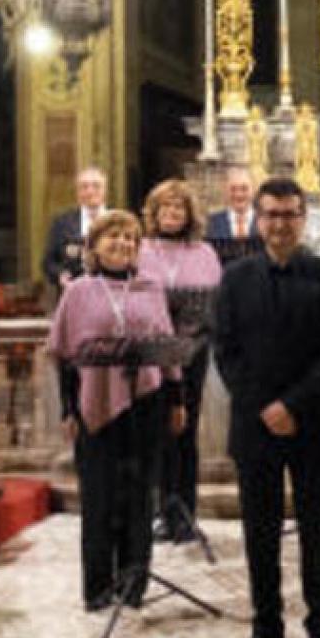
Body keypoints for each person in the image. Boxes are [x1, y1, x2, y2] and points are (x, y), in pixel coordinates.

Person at [213, 178, 320, 638]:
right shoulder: (234, 278)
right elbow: (226, 352)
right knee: (260, 531)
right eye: (271, 214)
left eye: (289, 214)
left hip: (314, 420)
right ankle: (266, 627)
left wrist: (292, 405)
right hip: (256, 425)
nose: (280, 223)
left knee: (317, 528)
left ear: (303, 218)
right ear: (257, 218)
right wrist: (264, 408)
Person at [47, 211, 185, 611]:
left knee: (139, 495)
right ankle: (98, 587)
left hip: (146, 404)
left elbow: (167, 351)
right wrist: (67, 410)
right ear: (94, 245)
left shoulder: (150, 287)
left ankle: (134, 582)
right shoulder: (78, 291)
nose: (123, 243)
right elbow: (64, 357)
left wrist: (176, 400)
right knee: (99, 498)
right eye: (114, 237)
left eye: (130, 238)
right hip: (95, 405)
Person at [137, 179, 222, 541]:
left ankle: (185, 510)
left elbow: (214, 304)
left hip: (190, 351)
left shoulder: (204, 252)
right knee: (156, 431)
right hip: (151, 353)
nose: (172, 214)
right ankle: (160, 509)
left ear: (189, 214)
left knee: (185, 431)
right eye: (165, 208)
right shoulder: (140, 249)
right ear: (154, 213)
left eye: (179, 208)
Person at [41, 166, 108, 292]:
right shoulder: (62, 222)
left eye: (96, 186)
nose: (90, 192)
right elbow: (48, 262)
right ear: (77, 192)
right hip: (73, 293)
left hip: (111, 294)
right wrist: (60, 275)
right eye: (84, 187)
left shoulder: (118, 221)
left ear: (105, 190)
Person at [206, 168, 259, 246]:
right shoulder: (211, 223)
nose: (238, 194)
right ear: (225, 191)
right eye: (233, 189)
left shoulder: (265, 220)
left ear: (254, 190)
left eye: (244, 189)